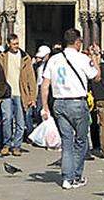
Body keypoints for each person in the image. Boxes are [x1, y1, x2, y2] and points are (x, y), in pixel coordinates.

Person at [40, 29, 99, 189]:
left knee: (67, 142)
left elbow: (45, 85)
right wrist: (95, 57)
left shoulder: (53, 59)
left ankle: (67, 178)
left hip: (59, 104)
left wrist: (45, 107)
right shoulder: (82, 58)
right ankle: (76, 176)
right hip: (77, 103)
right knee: (80, 142)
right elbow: (96, 76)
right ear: (78, 42)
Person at [0, 34, 36, 156]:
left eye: (17, 43)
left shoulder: (25, 58)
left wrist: (32, 97)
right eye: (14, 44)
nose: (16, 46)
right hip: (6, 93)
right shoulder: (2, 57)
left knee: (21, 121)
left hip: (21, 93)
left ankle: (17, 146)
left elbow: (31, 78)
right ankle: (7, 144)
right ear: (8, 44)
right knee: (7, 119)